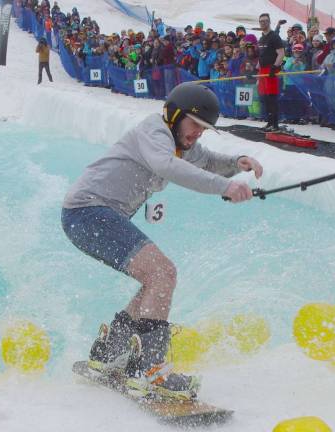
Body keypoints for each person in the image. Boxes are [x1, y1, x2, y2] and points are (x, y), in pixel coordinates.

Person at [61, 82, 262, 399]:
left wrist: (237, 162)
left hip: (90, 216)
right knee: (162, 273)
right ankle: (149, 370)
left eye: (205, 128)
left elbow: (206, 160)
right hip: (89, 213)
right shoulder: (154, 130)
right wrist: (225, 187)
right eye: (196, 124)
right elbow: (166, 166)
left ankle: (109, 352)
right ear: (174, 114)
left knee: (153, 279)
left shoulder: (180, 141)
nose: (198, 133)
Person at [257, 13, 285, 131]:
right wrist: (256, 68)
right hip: (262, 70)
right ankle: (269, 122)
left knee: (272, 97)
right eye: (261, 21)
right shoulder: (262, 38)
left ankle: (275, 124)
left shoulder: (274, 37)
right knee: (265, 97)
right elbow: (261, 56)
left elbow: (281, 53)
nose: (263, 23)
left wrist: (274, 67)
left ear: (269, 22)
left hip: (271, 70)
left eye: (265, 21)